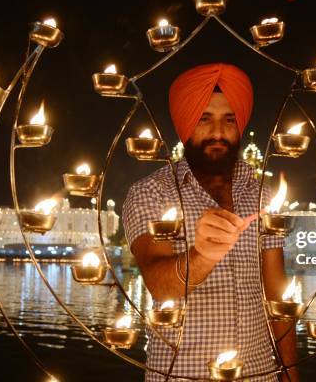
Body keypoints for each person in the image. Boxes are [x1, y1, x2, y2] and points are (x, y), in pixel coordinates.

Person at [123, 63, 298, 381]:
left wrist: (290, 372)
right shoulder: (152, 192)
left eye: (229, 120)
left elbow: (276, 292)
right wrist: (202, 256)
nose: (218, 132)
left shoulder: (261, 193)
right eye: (205, 119)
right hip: (182, 374)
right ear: (186, 124)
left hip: (259, 374)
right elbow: (159, 284)